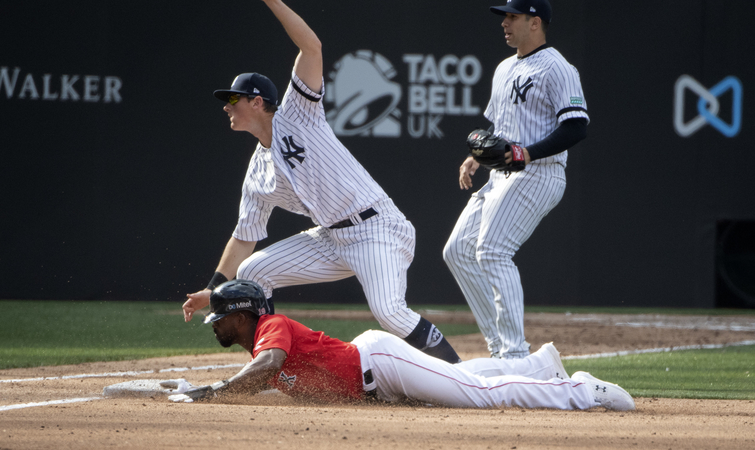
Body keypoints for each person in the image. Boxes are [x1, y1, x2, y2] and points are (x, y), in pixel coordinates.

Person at [181, 0, 461, 363]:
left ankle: (458, 374)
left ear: (256, 101)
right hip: (331, 236)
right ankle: (272, 365)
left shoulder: (299, 114)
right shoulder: (257, 171)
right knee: (252, 271)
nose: (226, 106)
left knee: (389, 312)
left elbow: (311, 46)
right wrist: (213, 289)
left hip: (376, 227)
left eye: (232, 98)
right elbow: (244, 236)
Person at [169, 280, 635, 412]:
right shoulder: (259, 342)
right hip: (379, 383)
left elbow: (270, 365)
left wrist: (214, 392)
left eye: (220, 317)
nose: (215, 325)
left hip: (380, 364)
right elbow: (268, 377)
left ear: (243, 315)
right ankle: (541, 366)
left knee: (480, 397)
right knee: (465, 381)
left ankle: (580, 392)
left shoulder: (271, 328)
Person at [443, 0, 590, 359]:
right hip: (502, 175)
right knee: (458, 251)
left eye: (512, 16)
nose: (505, 23)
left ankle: (514, 355)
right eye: (504, 16)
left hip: (539, 172)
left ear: (534, 22)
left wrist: (526, 153)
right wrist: (475, 157)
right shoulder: (504, 67)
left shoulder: (558, 67)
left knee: (492, 251)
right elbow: (501, 129)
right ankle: (499, 348)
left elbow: (576, 125)